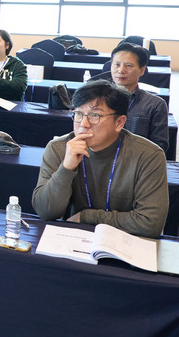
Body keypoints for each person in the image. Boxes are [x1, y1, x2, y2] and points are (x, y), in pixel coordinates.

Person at [32, 80, 168, 238]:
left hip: (125, 242)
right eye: (78, 114)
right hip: (74, 239)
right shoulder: (58, 148)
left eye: (94, 115)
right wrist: (66, 168)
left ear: (119, 123)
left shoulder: (148, 155)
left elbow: (150, 223)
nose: (83, 124)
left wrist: (88, 217)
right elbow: (45, 212)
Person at [107, 42, 169, 153]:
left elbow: (160, 145)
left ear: (142, 70)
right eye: (117, 64)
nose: (121, 70)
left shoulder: (155, 105)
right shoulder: (98, 99)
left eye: (128, 66)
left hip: (137, 160)